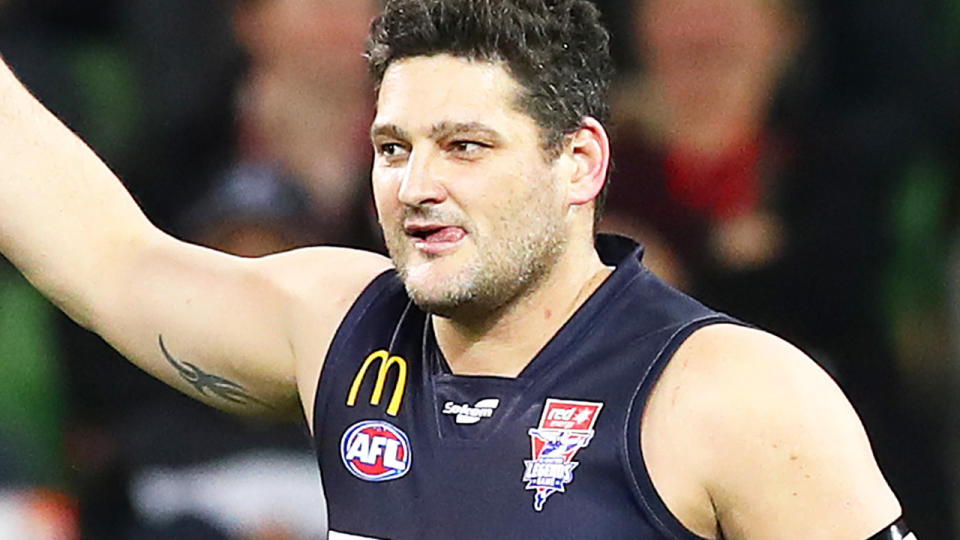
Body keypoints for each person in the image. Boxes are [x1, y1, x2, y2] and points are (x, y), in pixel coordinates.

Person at [0, 0, 910, 537]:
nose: (417, 185)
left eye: (465, 146)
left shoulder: (728, 395)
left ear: (580, 165)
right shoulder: (338, 327)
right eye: (392, 148)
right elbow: (106, 260)